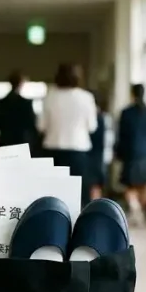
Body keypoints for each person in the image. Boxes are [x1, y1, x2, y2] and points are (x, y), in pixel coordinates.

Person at [38, 63, 98, 207]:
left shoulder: (49, 97)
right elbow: (92, 127)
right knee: (80, 195)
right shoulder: (86, 97)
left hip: (52, 150)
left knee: (54, 194)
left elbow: (41, 126)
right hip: (78, 150)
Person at [116, 83, 146, 227]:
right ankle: (141, 213)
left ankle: (136, 211)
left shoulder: (126, 113)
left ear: (132, 94)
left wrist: (118, 154)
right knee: (143, 187)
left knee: (130, 187)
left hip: (131, 153)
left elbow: (121, 136)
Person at [0, 70, 37, 148]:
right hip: (21, 142)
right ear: (21, 84)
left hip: (5, 142)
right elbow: (31, 125)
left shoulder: (2, 103)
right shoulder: (26, 103)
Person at [87, 91, 114, 201]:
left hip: (93, 155)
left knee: (93, 185)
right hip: (101, 156)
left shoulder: (96, 118)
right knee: (96, 186)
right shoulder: (106, 118)